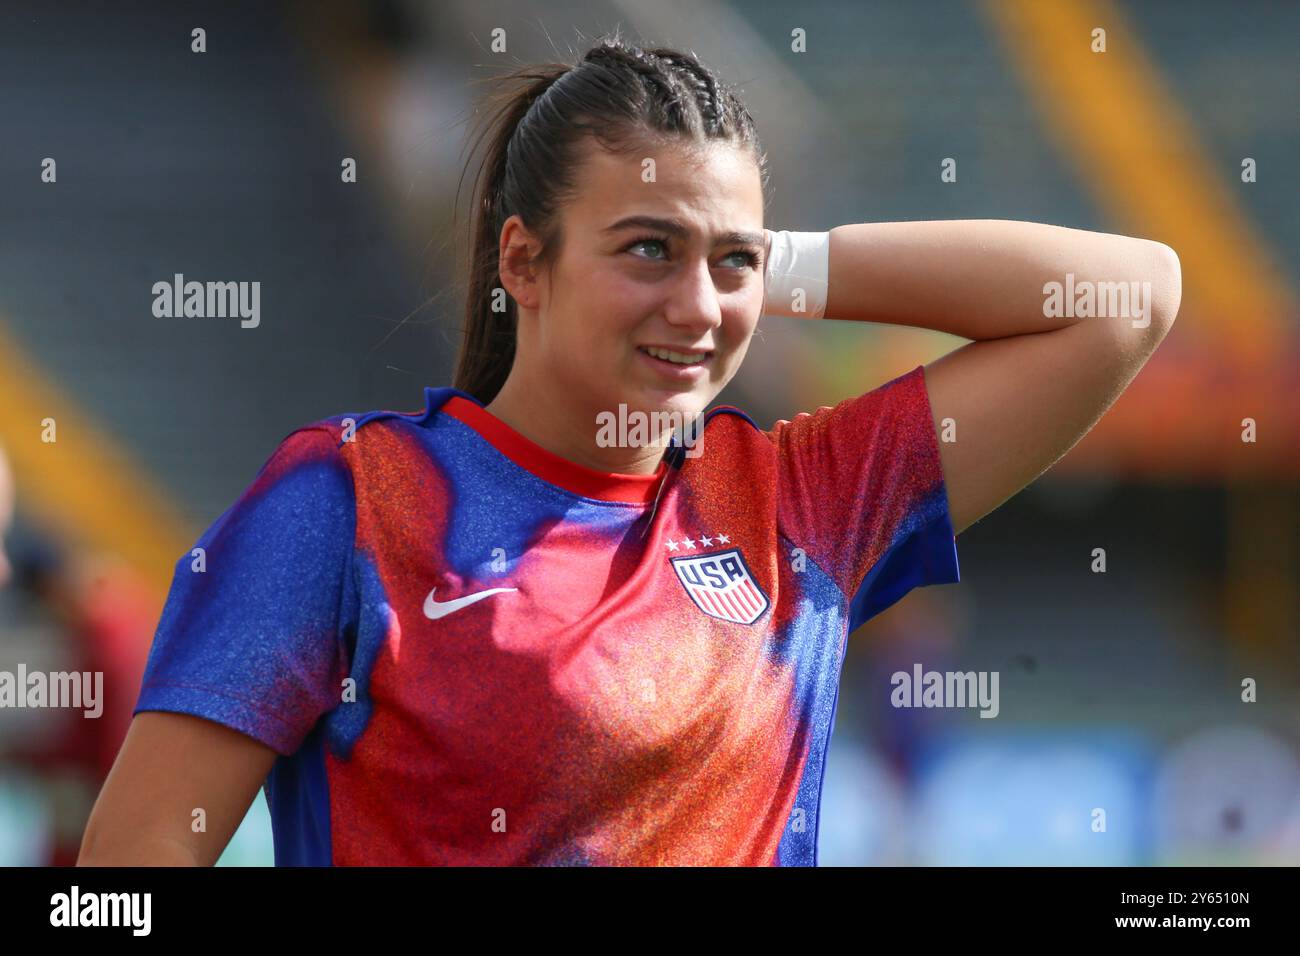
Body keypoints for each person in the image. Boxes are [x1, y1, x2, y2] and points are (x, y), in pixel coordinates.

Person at [78, 34, 1180, 866]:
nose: (698, 306)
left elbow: (1126, 298)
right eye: (647, 250)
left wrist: (762, 257)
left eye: (730, 263)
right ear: (523, 260)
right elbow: (132, 867)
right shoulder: (349, 503)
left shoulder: (804, 499)